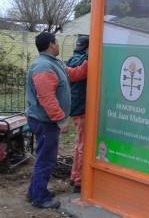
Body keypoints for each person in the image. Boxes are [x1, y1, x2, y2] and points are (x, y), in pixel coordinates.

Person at [25, 32, 88, 209]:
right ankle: (40, 197)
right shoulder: (43, 67)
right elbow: (46, 97)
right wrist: (60, 120)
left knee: (43, 158)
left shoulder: (54, 63)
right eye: (57, 42)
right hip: (46, 122)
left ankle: (34, 191)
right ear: (51, 45)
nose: (59, 44)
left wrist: (90, 62)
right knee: (46, 159)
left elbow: (74, 75)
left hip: (47, 121)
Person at [66, 36, 89, 194]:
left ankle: (74, 177)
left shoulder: (71, 59)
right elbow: (80, 74)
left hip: (74, 109)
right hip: (81, 109)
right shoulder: (84, 61)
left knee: (78, 144)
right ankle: (79, 182)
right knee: (83, 147)